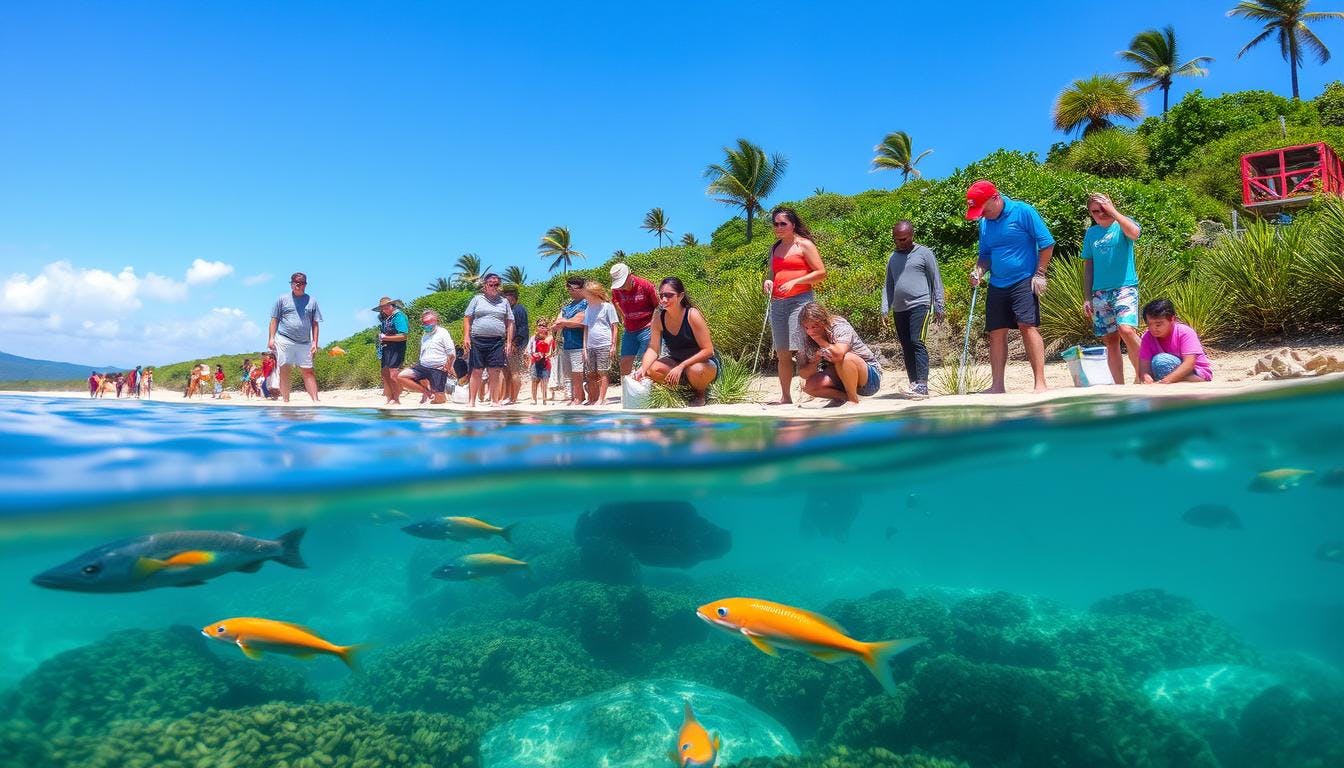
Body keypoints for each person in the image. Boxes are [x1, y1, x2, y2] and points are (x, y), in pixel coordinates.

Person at [966, 180, 1055, 394]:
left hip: (1024, 279)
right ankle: (997, 386)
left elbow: (1047, 243)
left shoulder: (1023, 211)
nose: (982, 214)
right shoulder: (985, 223)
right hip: (997, 282)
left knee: (1027, 325)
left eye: (984, 209)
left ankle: (1040, 383)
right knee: (996, 332)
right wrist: (978, 270)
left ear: (995, 198)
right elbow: (985, 254)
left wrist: (1040, 274)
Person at [764, 207, 827, 405]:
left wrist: (796, 281)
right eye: (776, 224)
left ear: (792, 224)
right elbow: (771, 274)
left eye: (783, 223)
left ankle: (813, 390)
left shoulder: (804, 245)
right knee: (782, 351)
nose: (779, 227)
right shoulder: (774, 248)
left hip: (800, 300)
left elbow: (821, 272)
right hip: (777, 303)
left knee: (801, 348)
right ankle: (786, 396)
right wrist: (768, 282)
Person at [1081, 192, 1143, 384]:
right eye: (1095, 211)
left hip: (1124, 287)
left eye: (1103, 209)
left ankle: (1144, 371)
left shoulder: (1122, 224)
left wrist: (1113, 211)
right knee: (1110, 340)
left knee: (1126, 330)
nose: (1101, 214)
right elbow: (1088, 267)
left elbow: (1135, 233)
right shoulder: (1091, 233)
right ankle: (1119, 385)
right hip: (1100, 292)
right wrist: (1087, 296)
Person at [882, 220, 945, 397]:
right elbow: (888, 284)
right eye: (896, 240)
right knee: (906, 345)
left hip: (921, 304)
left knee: (917, 341)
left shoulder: (925, 253)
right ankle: (914, 384)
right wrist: (885, 307)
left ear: (912, 236)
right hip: (900, 308)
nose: (899, 243)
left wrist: (940, 305)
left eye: (903, 239)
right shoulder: (892, 257)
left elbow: (936, 280)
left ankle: (923, 385)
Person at [633, 277, 719, 407]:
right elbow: (653, 348)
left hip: (703, 363)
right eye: (661, 296)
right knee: (651, 369)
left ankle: (700, 393)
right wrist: (642, 369)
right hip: (676, 361)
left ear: (681, 296)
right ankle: (680, 390)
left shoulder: (692, 315)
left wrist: (681, 366)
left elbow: (708, 350)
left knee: (696, 370)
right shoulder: (658, 317)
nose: (664, 300)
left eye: (669, 295)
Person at [796, 302, 882, 405]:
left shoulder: (838, 325)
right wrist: (815, 361)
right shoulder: (804, 337)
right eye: (806, 328)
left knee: (844, 358)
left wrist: (821, 341)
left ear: (824, 321)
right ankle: (844, 397)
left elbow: (839, 355)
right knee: (809, 386)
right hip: (840, 378)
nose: (810, 331)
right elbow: (803, 374)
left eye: (815, 326)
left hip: (869, 378)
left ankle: (852, 400)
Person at [268, 271, 323, 402]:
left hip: (304, 342)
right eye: (296, 283)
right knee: (285, 369)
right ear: (291, 284)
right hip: (284, 339)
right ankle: (286, 401)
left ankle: (315, 400)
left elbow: (315, 323)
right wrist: (271, 338)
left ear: (305, 284)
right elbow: (274, 320)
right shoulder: (282, 299)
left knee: (308, 371)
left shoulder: (312, 301)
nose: (298, 285)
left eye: (301, 283)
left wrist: (315, 342)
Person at [462, 273, 515, 407]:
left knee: (495, 370)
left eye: (496, 284)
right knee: (477, 370)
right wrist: (466, 336)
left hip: (497, 341)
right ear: (485, 285)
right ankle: (471, 401)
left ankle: (495, 400)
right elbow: (467, 318)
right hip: (478, 339)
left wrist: (509, 342)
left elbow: (510, 322)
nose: (493, 286)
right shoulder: (477, 299)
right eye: (490, 284)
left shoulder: (504, 302)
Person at [1138, 298, 1213, 384]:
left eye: (1158, 324)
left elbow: (1189, 363)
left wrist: (1165, 382)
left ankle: (1190, 380)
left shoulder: (1185, 332)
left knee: (1162, 361)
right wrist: (1147, 380)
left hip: (1196, 372)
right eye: (1149, 324)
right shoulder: (1147, 337)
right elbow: (1144, 369)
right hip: (1163, 373)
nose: (1153, 328)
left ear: (1172, 319)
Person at [609, 263, 659, 376]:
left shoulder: (645, 285)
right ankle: (626, 392)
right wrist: (623, 317)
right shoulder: (616, 290)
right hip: (630, 329)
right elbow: (615, 301)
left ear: (629, 275)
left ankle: (646, 391)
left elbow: (658, 306)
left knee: (644, 361)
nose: (620, 287)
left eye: (622, 283)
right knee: (625, 362)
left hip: (647, 327)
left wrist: (654, 325)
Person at [398, 309, 457, 404]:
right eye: (425, 323)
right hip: (423, 367)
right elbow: (423, 352)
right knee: (402, 376)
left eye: (429, 322)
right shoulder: (425, 335)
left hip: (437, 368)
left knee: (439, 400)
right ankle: (426, 392)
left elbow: (451, 353)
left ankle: (438, 394)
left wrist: (449, 366)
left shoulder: (443, 332)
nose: (427, 325)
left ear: (436, 321)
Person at [551, 276, 589, 406]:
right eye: (569, 288)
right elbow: (556, 323)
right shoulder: (567, 307)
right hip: (567, 343)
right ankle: (578, 396)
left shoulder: (586, 303)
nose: (571, 291)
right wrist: (567, 322)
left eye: (574, 288)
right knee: (571, 374)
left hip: (580, 343)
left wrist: (564, 322)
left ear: (582, 288)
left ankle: (578, 398)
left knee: (578, 373)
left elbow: (581, 321)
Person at [581, 280, 619, 406]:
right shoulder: (587, 309)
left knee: (603, 371)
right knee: (591, 373)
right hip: (590, 345)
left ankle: (601, 399)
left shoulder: (608, 306)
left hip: (604, 343)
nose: (585, 297)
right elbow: (586, 329)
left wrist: (613, 345)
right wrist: (584, 348)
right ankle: (593, 398)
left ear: (594, 293)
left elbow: (615, 326)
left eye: (587, 294)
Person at [374, 296, 409, 405]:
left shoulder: (399, 316)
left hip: (396, 348)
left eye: (386, 307)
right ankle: (389, 397)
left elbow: (403, 336)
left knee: (393, 373)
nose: (384, 309)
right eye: (382, 308)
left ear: (392, 305)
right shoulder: (385, 318)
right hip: (386, 349)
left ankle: (396, 398)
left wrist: (385, 338)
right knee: (385, 373)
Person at [501, 287, 530, 406]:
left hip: (515, 345)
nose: (506, 298)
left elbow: (523, 329)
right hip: (507, 345)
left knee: (514, 372)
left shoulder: (519, 309)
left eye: (509, 296)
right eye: (505, 295)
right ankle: (507, 396)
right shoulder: (508, 310)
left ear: (514, 297)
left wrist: (515, 344)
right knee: (506, 372)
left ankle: (514, 398)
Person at [527, 319, 553, 404]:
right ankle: (534, 399)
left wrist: (546, 354)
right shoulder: (533, 338)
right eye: (540, 326)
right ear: (537, 327)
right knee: (534, 380)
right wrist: (532, 356)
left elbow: (551, 351)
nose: (542, 327)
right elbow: (528, 350)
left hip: (545, 362)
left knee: (544, 380)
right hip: (535, 361)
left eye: (544, 326)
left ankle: (544, 399)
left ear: (547, 328)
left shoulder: (550, 338)